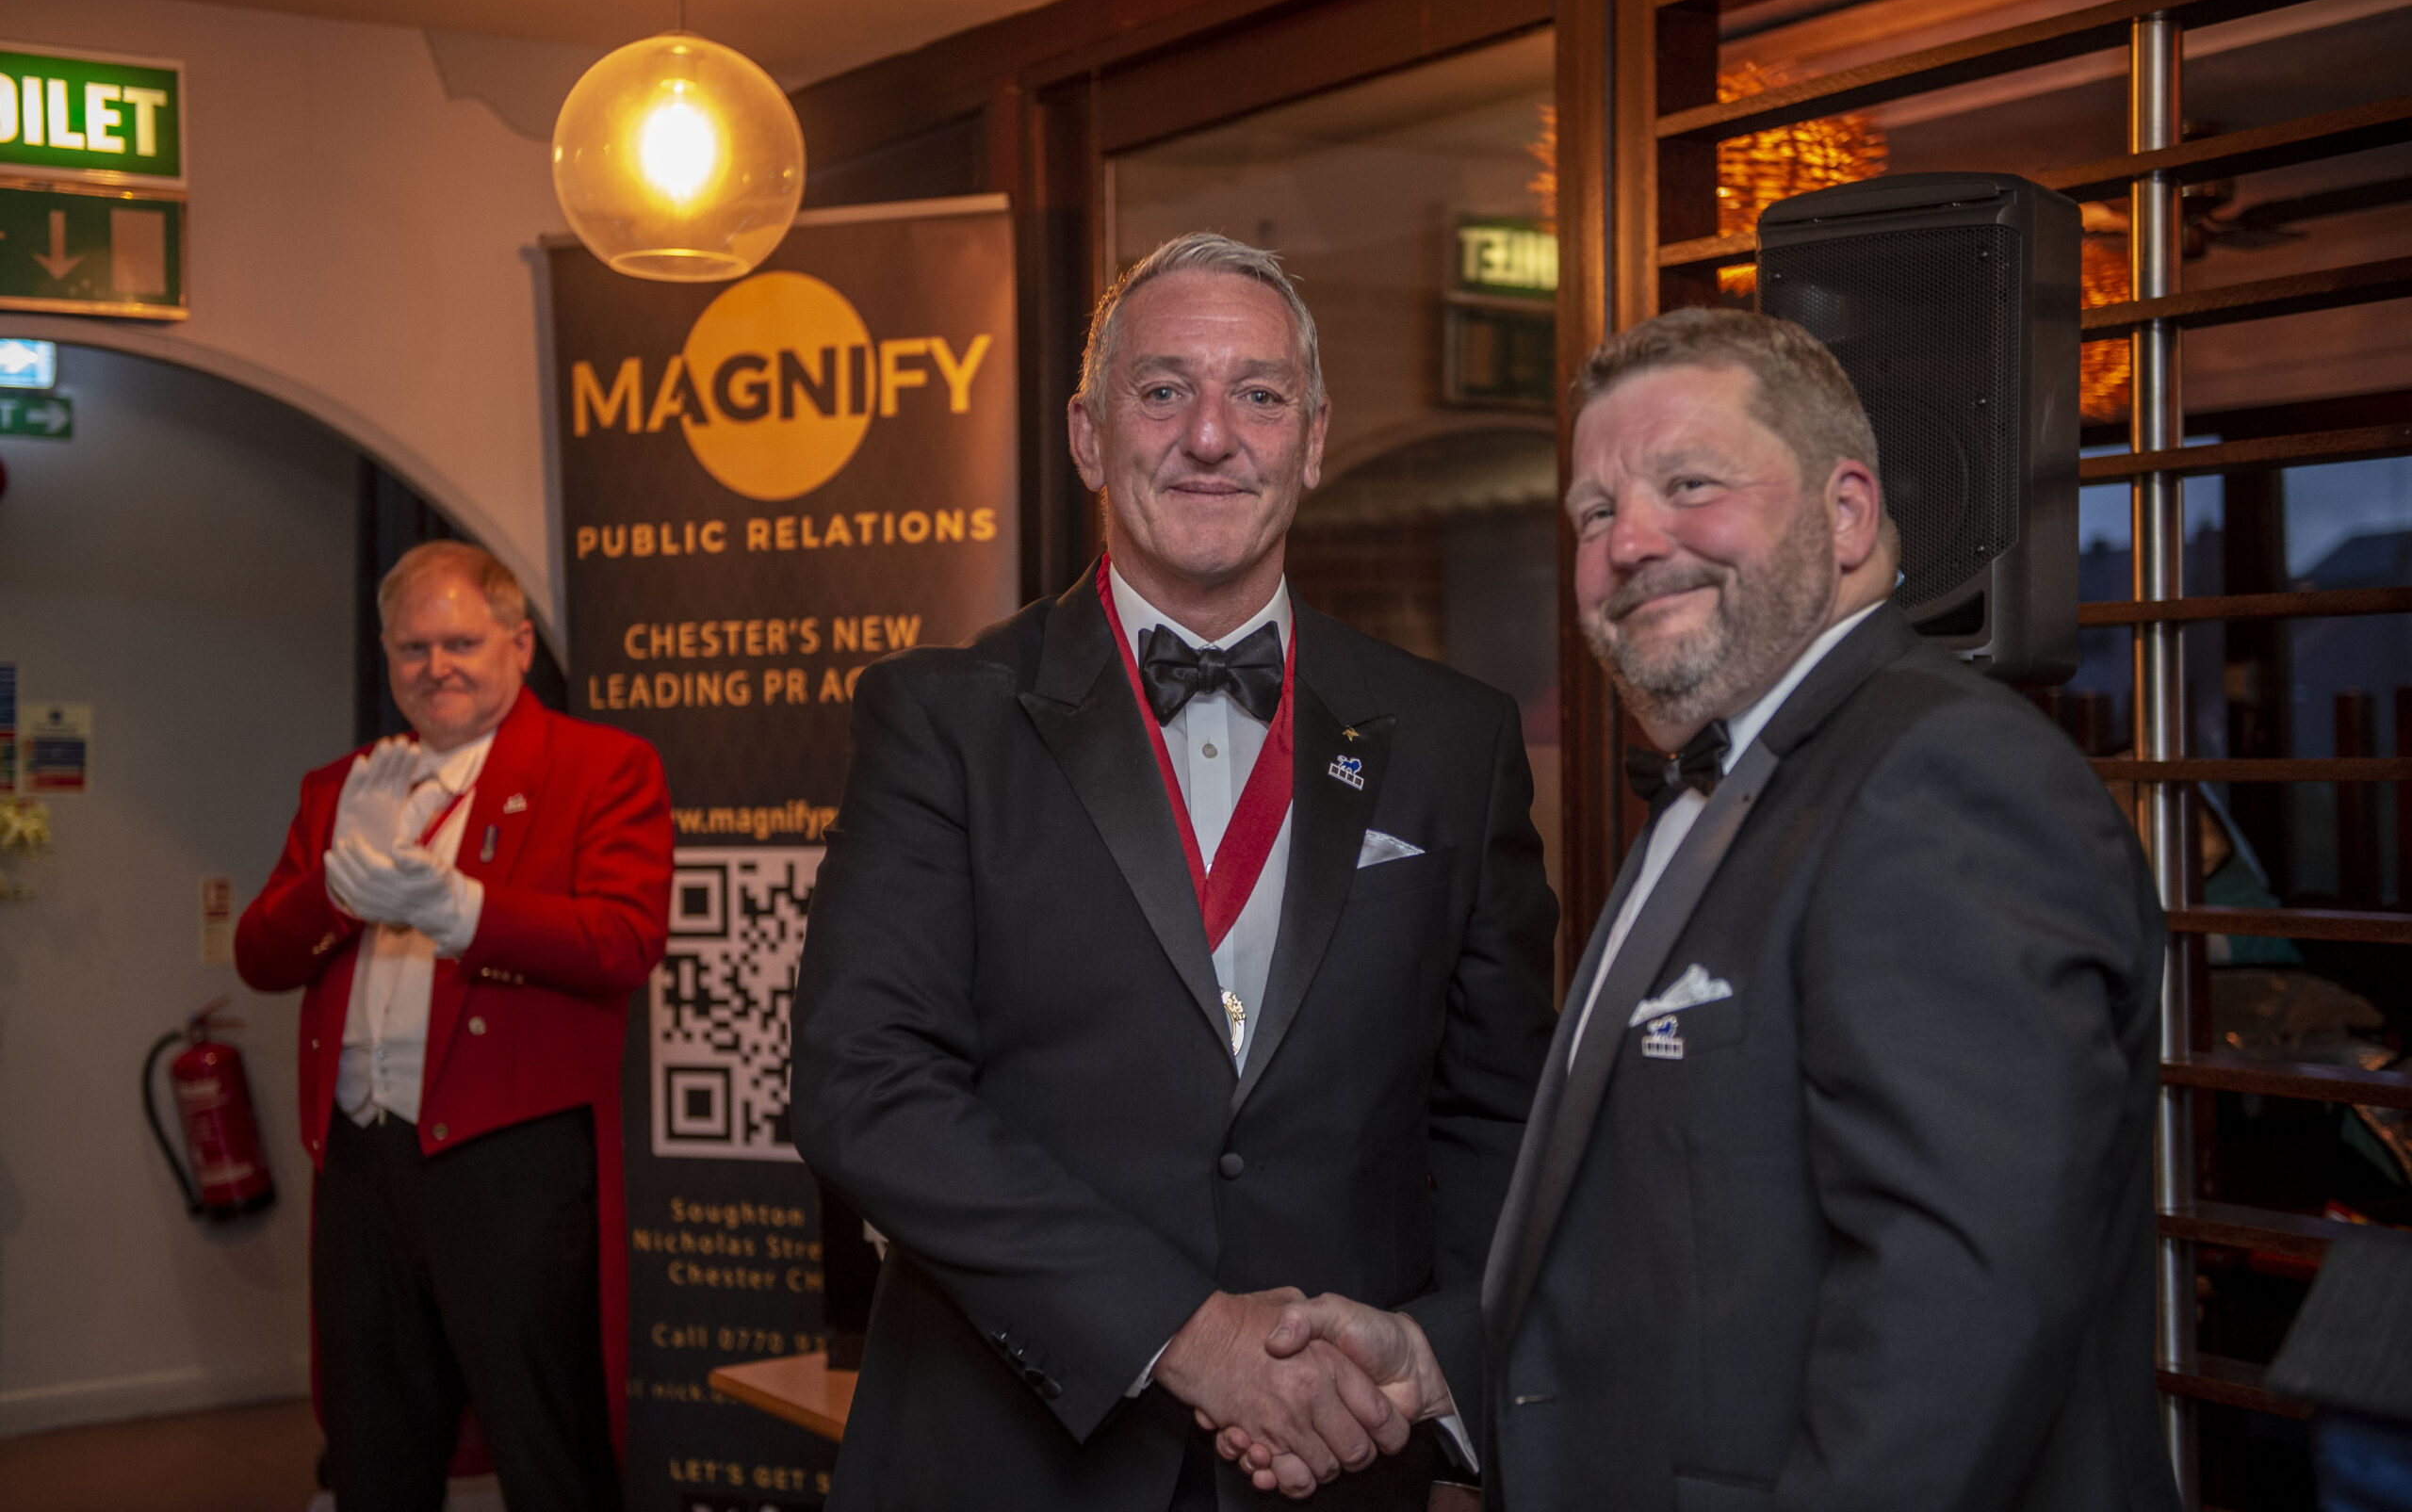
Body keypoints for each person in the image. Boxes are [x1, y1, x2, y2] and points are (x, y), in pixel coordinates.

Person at [1270, 308, 2180, 1510]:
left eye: (1688, 484)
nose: (1630, 541)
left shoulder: (1941, 780)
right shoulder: (1730, 788)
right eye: (1593, 513)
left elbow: (1954, 1322)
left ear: (1845, 513)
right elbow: (1698, 1263)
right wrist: (1446, 1366)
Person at [790, 233, 1557, 1510]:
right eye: (1163, 391)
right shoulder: (941, 721)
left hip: (1340, 1457)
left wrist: (1430, 1360)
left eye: (1258, 394)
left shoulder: (1454, 739)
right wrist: (1187, 1337)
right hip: (1009, 1462)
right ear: (1089, 438)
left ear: (1313, 439)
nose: (1211, 436)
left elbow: (1500, 1115)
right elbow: (865, 1087)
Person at [236, 541, 672, 1512]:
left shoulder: (602, 767)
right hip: (360, 1163)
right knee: (373, 1452)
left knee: (550, 1452)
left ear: (519, 645)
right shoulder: (344, 786)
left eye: (461, 643)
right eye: (412, 648)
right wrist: (333, 892)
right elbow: (260, 957)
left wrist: (462, 910)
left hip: (512, 1162)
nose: (436, 667)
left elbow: (624, 940)